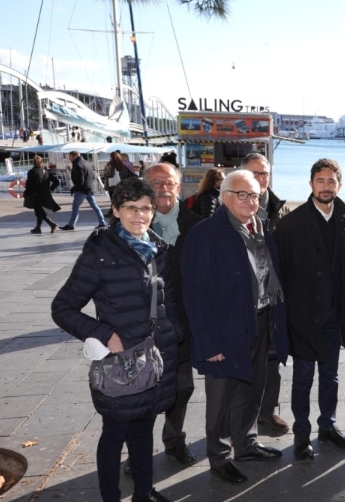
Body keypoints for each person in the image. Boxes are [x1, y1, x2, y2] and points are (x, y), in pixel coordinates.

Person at [51, 177, 180, 502]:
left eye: (146, 209)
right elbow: (62, 307)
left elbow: (170, 302)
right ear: (117, 210)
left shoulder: (157, 249)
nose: (140, 215)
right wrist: (104, 334)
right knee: (114, 434)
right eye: (131, 208)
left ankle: (143, 491)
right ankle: (110, 496)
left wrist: (174, 334)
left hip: (154, 360)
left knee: (143, 431)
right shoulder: (101, 251)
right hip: (120, 364)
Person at [182, 170, 288, 484]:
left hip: (259, 321)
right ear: (225, 196)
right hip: (224, 328)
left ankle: (247, 443)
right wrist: (208, 343)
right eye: (242, 194)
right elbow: (195, 294)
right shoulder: (205, 234)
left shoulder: (261, 228)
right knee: (221, 399)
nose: (249, 200)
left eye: (254, 195)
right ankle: (219, 457)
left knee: (253, 388)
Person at [273, 158, 345, 460]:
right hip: (303, 317)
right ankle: (302, 433)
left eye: (331, 181)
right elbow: (278, 272)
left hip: (334, 317)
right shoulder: (291, 224)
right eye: (320, 181)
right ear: (311, 185)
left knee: (331, 377)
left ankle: (328, 427)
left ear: (339, 185)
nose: (326, 186)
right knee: (304, 377)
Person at [144, 163, 202, 467]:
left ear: (178, 188)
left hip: (184, 324)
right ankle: (139, 449)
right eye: (155, 183)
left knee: (183, 387)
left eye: (168, 182)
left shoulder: (198, 225)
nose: (162, 188)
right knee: (143, 391)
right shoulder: (133, 225)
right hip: (146, 327)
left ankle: (175, 439)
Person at [239, 153, 291, 433]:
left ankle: (267, 412)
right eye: (254, 174)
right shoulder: (231, 211)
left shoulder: (282, 211)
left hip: (273, 302)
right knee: (242, 364)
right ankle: (238, 424)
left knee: (273, 361)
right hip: (242, 303)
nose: (260, 179)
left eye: (265, 174)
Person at [61, 151, 107, 231]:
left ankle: (71, 224)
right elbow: (92, 175)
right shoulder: (87, 163)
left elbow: (80, 180)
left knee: (75, 206)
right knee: (94, 206)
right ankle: (102, 222)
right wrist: (89, 185)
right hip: (88, 188)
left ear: (74, 156)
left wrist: (74, 188)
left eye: (70, 156)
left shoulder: (77, 165)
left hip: (81, 190)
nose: (69, 158)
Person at [24, 155, 61, 234]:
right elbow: (56, 181)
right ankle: (38, 228)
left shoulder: (32, 172)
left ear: (33, 162)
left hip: (36, 195)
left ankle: (52, 224)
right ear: (42, 162)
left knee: (39, 211)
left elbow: (29, 185)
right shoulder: (46, 171)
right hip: (46, 194)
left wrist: (27, 193)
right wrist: (51, 189)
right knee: (39, 211)